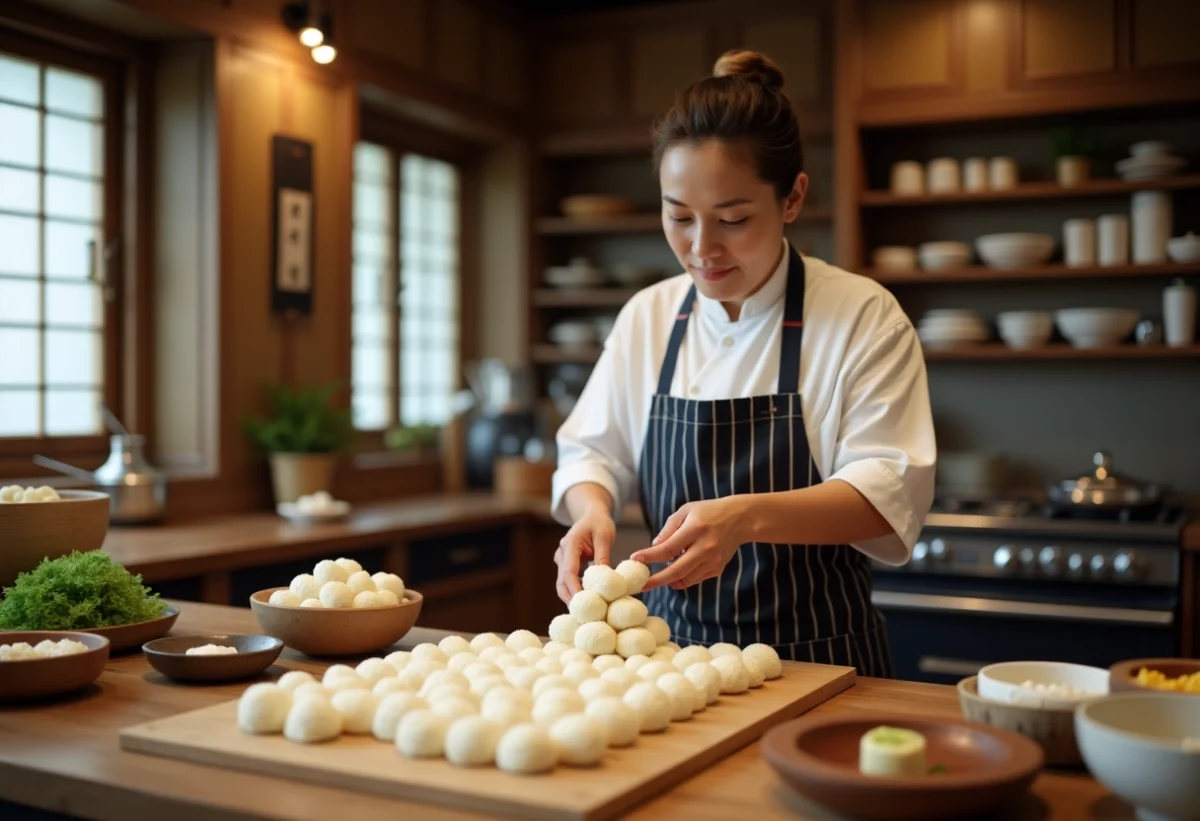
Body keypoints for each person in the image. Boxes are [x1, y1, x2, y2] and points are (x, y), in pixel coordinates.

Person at [548, 50, 935, 677]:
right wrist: (592, 510)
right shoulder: (648, 317)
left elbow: (886, 494)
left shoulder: (863, 315)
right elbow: (592, 452)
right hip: (666, 664)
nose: (702, 250)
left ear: (792, 198)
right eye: (679, 217)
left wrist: (746, 516)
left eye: (732, 219)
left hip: (821, 662)